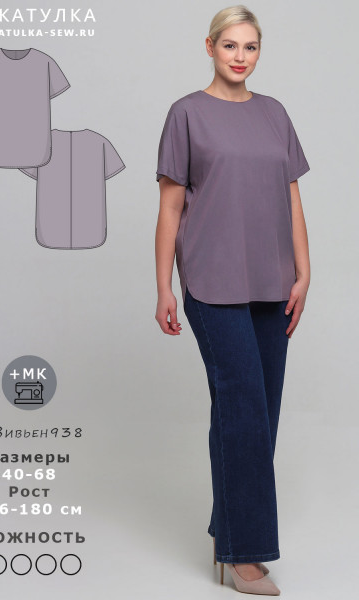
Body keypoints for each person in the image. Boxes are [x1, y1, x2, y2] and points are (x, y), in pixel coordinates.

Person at [154, 4, 310, 596]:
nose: (240, 57)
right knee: (243, 408)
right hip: (212, 282)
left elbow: (291, 198)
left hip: (273, 281)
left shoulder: (275, 114)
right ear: (210, 47)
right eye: (230, 46)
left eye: (250, 47)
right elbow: (170, 207)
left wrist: (304, 270)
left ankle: (228, 532)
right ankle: (244, 554)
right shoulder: (186, 114)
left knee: (259, 412)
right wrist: (163, 285)